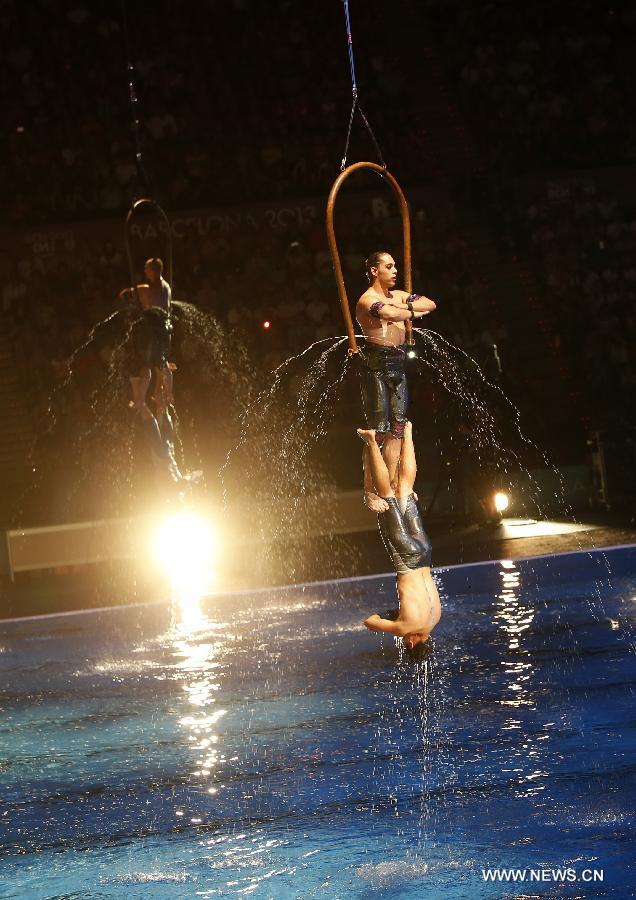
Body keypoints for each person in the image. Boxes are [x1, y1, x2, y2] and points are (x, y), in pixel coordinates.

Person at [356, 251, 437, 512]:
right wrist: (409, 310)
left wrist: (406, 308)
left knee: (398, 427)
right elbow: (389, 314)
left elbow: (431, 304)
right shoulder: (367, 300)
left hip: (398, 362)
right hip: (375, 364)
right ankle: (371, 490)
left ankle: (390, 484)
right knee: (378, 429)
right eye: (388, 267)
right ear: (373, 271)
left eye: (395, 267)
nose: (394, 271)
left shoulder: (400, 295)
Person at [357, 421, 441, 649]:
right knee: (386, 495)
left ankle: (409, 432)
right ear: (411, 643)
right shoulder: (405, 628)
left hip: (425, 553)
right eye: (405, 643)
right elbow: (370, 622)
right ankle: (372, 440)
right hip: (406, 559)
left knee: (404, 487)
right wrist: (392, 619)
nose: (404, 640)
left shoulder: (435, 619)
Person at [119, 258, 187, 486]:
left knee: (155, 401)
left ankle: (152, 394)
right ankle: (155, 394)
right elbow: (137, 291)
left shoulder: (159, 286)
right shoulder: (157, 287)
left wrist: (133, 293)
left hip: (157, 328)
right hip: (158, 329)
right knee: (159, 403)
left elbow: (140, 291)